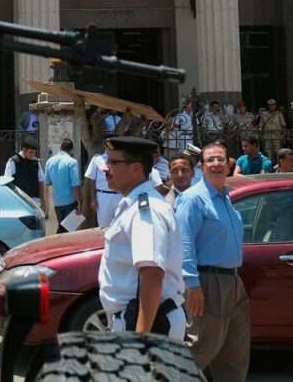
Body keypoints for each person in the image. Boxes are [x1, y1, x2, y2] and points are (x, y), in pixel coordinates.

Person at [97, 136, 186, 340]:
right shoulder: (133, 205)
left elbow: (152, 273)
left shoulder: (146, 210)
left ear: (136, 168)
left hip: (151, 324)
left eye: (113, 162)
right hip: (136, 319)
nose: (105, 168)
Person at [176, 143, 249, 382]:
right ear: (201, 166)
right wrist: (192, 284)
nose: (216, 164)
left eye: (220, 159)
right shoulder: (193, 199)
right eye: (210, 160)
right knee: (200, 348)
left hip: (233, 282)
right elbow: (183, 243)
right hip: (208, 282)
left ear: (229, 164)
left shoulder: (226, 197)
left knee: (233, 354)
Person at [45, 138, 82, 233]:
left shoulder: (49, 161)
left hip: (57, 202)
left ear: (60, 147)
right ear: (71, 150)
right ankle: (57, 244)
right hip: (70, 201)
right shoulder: (72, 162)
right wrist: (79, 203)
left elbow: (48, 182)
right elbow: (75, 184)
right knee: (67, 230)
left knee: (62, 228)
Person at [4, 136, 48, 212]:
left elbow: (40, 181)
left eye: (34, 152)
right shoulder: (13, 162)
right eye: (31, 152)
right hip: (18, 201)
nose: (33, 155)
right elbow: (7, 182)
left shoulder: (36, 162)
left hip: (34, 201)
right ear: (24, 150)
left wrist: (42, 201)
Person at [86, 145, 124, 228]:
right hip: (103, 196)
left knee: (121, 225)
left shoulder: (122, 159)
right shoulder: (97, 159)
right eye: (108, 145)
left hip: (120, 195)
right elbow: (91, 180)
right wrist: (92, 199)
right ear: (105, 146)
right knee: (104, 226)